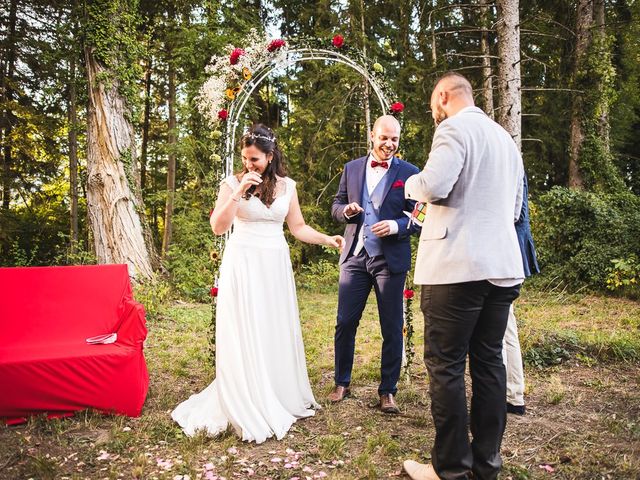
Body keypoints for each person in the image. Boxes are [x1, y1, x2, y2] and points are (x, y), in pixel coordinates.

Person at [172, 124, 344, 444]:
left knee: (272, 326)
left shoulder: (288, 186)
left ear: (270, 156)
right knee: (244, 326)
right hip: (243, 261)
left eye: (255, 159)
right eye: (245, 158)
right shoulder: (232, 183)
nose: (249, 164)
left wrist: (327, 240)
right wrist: (238, 193)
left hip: (274, 264)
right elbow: (218, 227)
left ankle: (275, 388)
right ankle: (247, 393)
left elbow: (298, 227)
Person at [401, 73, 524, 480]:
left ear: (443, 96)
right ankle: (486, 465)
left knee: (446, 365)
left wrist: (409, 184)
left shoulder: (453, 128)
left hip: (456, 268)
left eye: (433, 104)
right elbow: (514, 207)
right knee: (489, 363)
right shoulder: (505, 140)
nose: (433, 112)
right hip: (503, 267)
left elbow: (434, 185)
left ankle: (450, 470)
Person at [329, 115, 420, 414]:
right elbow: (336, 205)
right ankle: (341, 382)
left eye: (394, 139)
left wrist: (395, 226)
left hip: (389, 260)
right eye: (384, 138)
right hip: (355, 257)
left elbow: (420, 218)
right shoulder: (352, 168)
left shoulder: (410, 173)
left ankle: (388, 391)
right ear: (372, 135)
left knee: (392, 327)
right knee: (345, 322)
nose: (389, 144)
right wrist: (347, 211)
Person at [504, 173, 540, 416]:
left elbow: (513, 214)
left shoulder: (505, 161)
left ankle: (511, 395)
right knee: (506, 325)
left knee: (502, 327)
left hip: (507, 251)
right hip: (511, 249)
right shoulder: (510, 157)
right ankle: (513, 394)